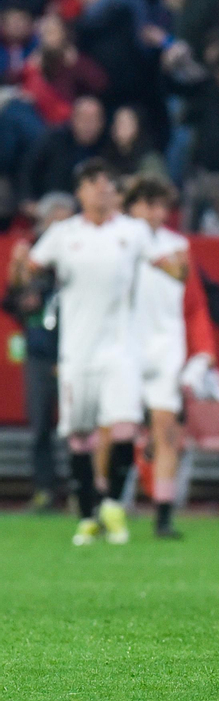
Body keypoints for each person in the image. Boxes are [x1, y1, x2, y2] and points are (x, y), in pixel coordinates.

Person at [9, 159, 179, 546]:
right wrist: (18, 265)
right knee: (79, 436)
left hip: (121, 350)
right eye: (94, 184)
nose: (102, 190)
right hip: (77, 352)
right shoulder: (63, 234)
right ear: (80, 192)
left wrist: (179, 268)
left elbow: (172, 269)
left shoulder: (132, 232)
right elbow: (23, 277)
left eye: (107, 184)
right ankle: (87, 514)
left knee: (123, 428)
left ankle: (113, 505)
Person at [124, 174, 217, 539]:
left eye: (161, 205)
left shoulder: (178, 246)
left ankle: (162, 514)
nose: (155, 212)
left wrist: (204, 350)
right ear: (132, 206)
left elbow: (194, 304)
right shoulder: (118, 242)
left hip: (166, 348)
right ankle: (106, 505)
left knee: (166, 430)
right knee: (117, 431)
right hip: (123, 346)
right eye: (148, 203)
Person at [3, 192, 75, 510]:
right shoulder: (31, 256)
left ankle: (81, 489)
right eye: (55, 222)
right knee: (41, 425)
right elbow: (11, 301)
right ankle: (44, 490)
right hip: (40, 350)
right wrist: (22, 289)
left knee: (79, 425)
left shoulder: (80, 255)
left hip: (75, 349)